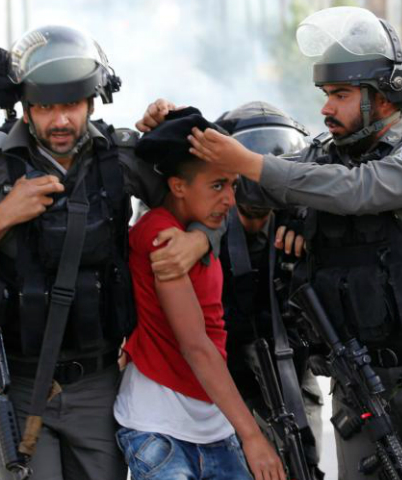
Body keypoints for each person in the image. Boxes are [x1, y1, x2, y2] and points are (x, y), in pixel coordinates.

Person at [143, 6, 402, 480]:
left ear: (384, 96)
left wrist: (253, 165)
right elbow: (242, 196)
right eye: (325, 94)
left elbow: (358, 190)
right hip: (358, 379)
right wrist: (179, 131)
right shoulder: (318, 157)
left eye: (341, 94)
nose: (326, 108)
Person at [0, 26, 221, 480]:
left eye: (70, 105)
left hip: (98, 383)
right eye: (45, 107)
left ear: (91, 102)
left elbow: (206, 198)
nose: (59, 121)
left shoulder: (121, 156)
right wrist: (1, 217)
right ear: (25, 107)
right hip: (20, 385)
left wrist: (200, 238)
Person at [113, 107, 286, 480]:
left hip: (211, 425)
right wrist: (253, 436)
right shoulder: (162, 235)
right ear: (178, 187)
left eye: (232, 185)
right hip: (160, 428)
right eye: (217, 186)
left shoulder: (200, 231)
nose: (229, 200)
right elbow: (196, 345)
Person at [215, 101, 325, 478]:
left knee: (302, 466)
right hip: (224, 379)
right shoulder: (204, 222)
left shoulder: (300, 219)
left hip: (292, 371)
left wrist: (306, 233)